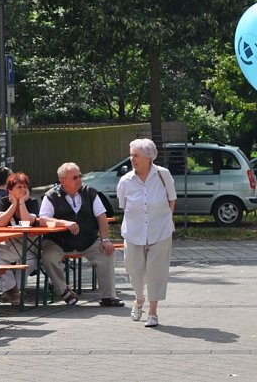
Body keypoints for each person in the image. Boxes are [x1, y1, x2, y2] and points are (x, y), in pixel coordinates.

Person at [39, 162, 124, 307]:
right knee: (47, 257)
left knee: (107, 251)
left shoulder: (90, 192)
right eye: (75, 177)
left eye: (80, 176)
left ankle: (108, 297)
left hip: (88, 241)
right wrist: (65, 223)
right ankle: (63, 290)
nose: (79, 179)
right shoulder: (51, 196)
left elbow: (101, 216)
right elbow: (43, 219)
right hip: (59, 242)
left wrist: (105, 239)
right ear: (62, 180)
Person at [117, 138, 176, 328]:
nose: (132, 159)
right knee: (134, 270)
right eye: (131, 155)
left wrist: (163, 218)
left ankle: (153, 311)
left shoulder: (163, 174)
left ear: (148, 158)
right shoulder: (125, 181)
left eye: (136, 155)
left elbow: (171, 199)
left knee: (156, 272)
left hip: (160, 231)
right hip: (133, 232)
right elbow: (123, 206)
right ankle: (139, 299)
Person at [0, 172, 40, 305]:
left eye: (25, 186)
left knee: (30, 262)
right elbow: (1, 222)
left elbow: (27, 222)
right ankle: (13, 290)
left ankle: (12, 291)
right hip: (9, 244)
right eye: (19, 187)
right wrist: (14, 204)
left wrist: (21, 203)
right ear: (10, 190)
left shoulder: (32, 202)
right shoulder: (4, 201)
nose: (23, 189)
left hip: (28, 244)